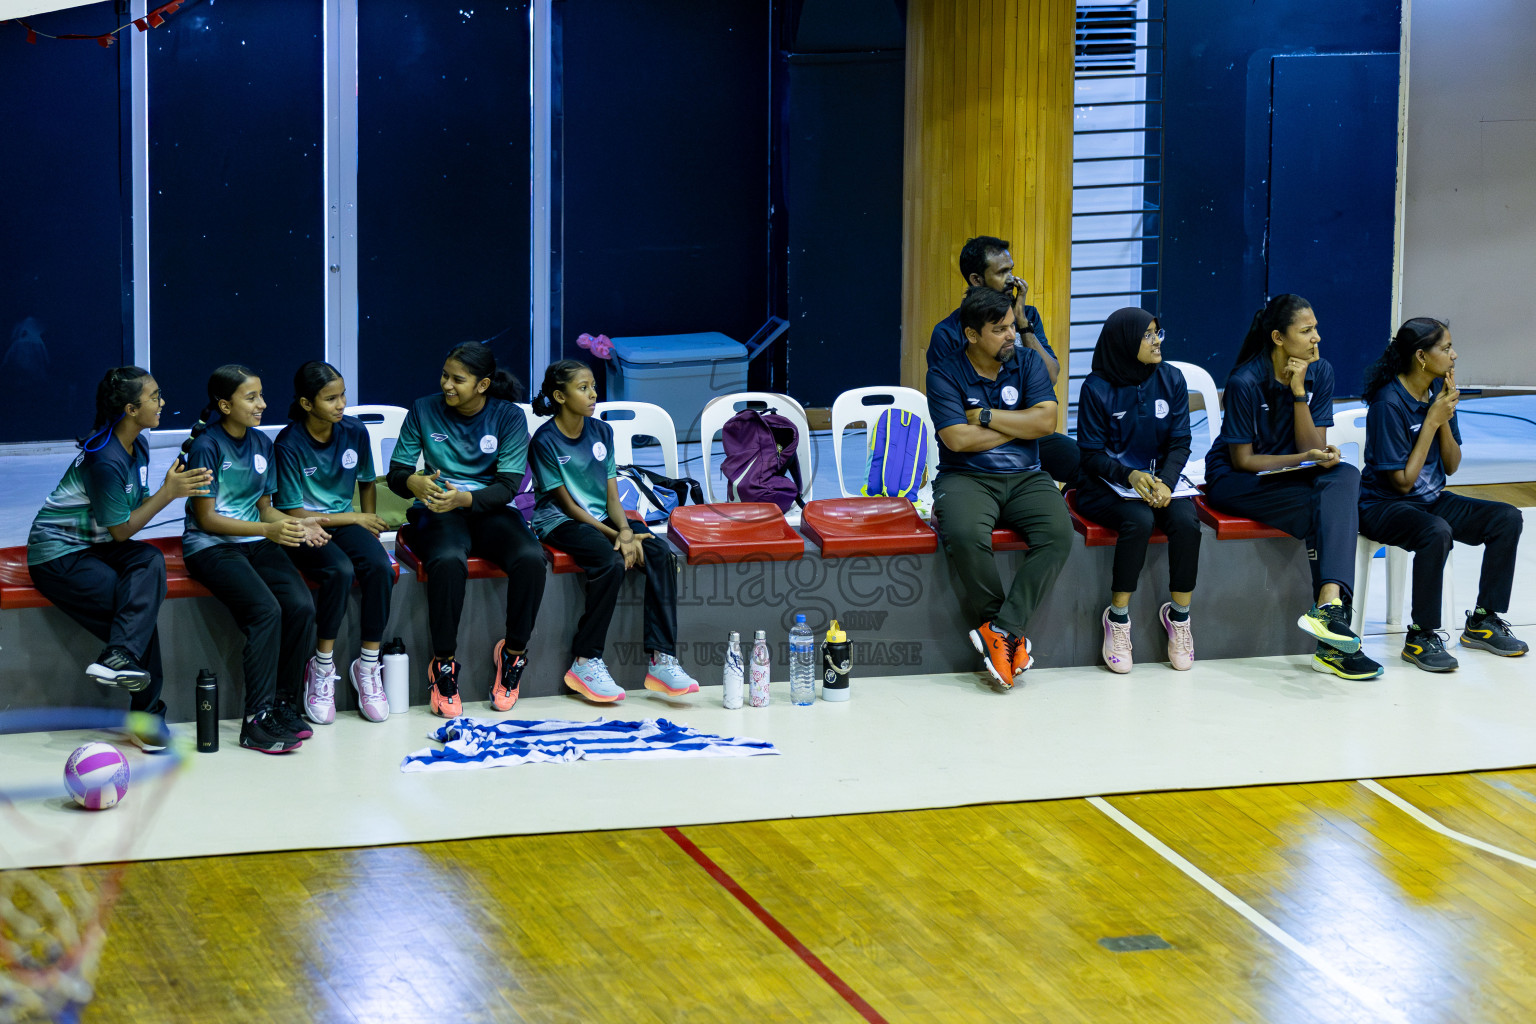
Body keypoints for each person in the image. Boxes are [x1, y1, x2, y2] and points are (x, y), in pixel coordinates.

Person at [26, 367, 212, 751]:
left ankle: (119, 656)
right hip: (59, 554)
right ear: (130, 409)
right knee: (133, 613)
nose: (162, 402)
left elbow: (128, 519)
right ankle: (146, 715)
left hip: (95, 545)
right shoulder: (104, 459)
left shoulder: (138, 446)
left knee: (149, 561)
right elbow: (122, 531)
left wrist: (164, 491)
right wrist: (168, 493)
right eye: (155, 397)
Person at [1203, 294, 1382, 680]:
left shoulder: (1321, 372)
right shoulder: (1245, 380)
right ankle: (1333, 644)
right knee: (1330, 509)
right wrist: (1305, 461)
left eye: (1316, 328)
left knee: (1346, 476)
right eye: (1306, 330)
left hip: (1289, 474)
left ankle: (1329, 608)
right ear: (1278, 338)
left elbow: (1310, 448)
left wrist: (1299, 392)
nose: (1317, 337)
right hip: (1238, 480)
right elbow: (1244, 461)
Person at [527, 359, 699, 703]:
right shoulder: (544, 441)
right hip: (558, 521)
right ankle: (586, 660)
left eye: (593, 386)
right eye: (583, 388)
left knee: (660, 553)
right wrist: (616, 538)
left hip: (605, 517)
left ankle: (661, 659)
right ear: (559, 396)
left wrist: (624, 530)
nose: (593, 394)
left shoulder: (602, 432)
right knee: (609, 563)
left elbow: (610, 493)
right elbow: (568, 505)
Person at [1359, 318, 1526, 670]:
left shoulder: (1437, 396)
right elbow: (1402, 482)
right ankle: (1420, 637)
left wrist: (1445, 414)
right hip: (1384, 506)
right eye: (1446, 348)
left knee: (1506, 518)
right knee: (1435, 531)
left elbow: (1451, 466)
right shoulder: (1388, 404)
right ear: (1421, 356)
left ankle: (1482, 620)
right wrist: (1432, 421)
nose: (1454, 355)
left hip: (1431, 500)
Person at [388, 342, 545, 718]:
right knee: (446, 559)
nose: (447, 384)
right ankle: (443, 664)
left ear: (483, 384)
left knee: (530, 558)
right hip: (438, 510)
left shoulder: (508, 416)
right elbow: (397, 473)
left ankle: (513, 656)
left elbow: (507, 486)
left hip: (486, 508)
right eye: (445, 375)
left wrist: (465, 498)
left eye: (458, 379)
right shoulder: (424, 409)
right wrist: (415, 484)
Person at [928, 285, 1074, 690]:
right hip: (965, 476)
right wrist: (1018, 424)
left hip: (1028, 475)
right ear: (972, 335)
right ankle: (1006, 634)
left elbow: (1046, 423)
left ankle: (1001, 630)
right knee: (963, 534)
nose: (1011, 335)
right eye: (999, 329)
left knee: (1059, 534)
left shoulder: (1027, 362)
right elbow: (957, 440)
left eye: (1012, 325)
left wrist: (988, 417)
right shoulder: (943, 372)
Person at [182, 365, 325, 754]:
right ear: (225, 405)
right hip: (211, 547)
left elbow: (264, 508)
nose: (262, 404)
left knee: (299, 605)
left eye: (261, 395)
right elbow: (208, 518)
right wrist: (269, 531)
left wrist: (301, 524)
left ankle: (284, 704)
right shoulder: (206, 446)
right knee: (266, 611)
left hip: (255, 541)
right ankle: (256, 720)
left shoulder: (262, 444)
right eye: (251, 397)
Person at [1074, 308, 1201, 673]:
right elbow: (1091, 454)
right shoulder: (1096, 388)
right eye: (1146, 335)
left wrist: (1165, 481)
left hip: (1159, 483)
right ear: (1125, 342)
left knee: (1186, 521)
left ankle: (1179, 619)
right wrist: (1128, 475)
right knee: (1139, 520)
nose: (1156, 341)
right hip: (1104, 486)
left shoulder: (1171, 379)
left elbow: (1180, 441)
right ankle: (1118, 619)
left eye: (1157, 332)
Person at [274, 361, 395, 723]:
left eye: (342, 395)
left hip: (343, 522)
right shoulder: (289, 442)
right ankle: (322, 666)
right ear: (307, 404)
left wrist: (369, 524)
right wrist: (357, 517)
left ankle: (368, 667)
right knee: (339, 570)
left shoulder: (354, 431)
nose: (341, 404)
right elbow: (294, 513)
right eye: (331, 398)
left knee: (379, 567)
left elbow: (367, 481)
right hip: (303, 527)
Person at [928, 235, 1081, 486]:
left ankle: (1062, 509)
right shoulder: (948, 332)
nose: (1012, 279)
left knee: (1083, 461)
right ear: (976, 280)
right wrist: (1025, 425)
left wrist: (1022, 323)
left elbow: (1050, 376)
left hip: (1024, 433)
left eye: (1011, 270)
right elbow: (962, 416)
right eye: (1001, 272)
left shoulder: (1026, 317)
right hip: (979, 442)